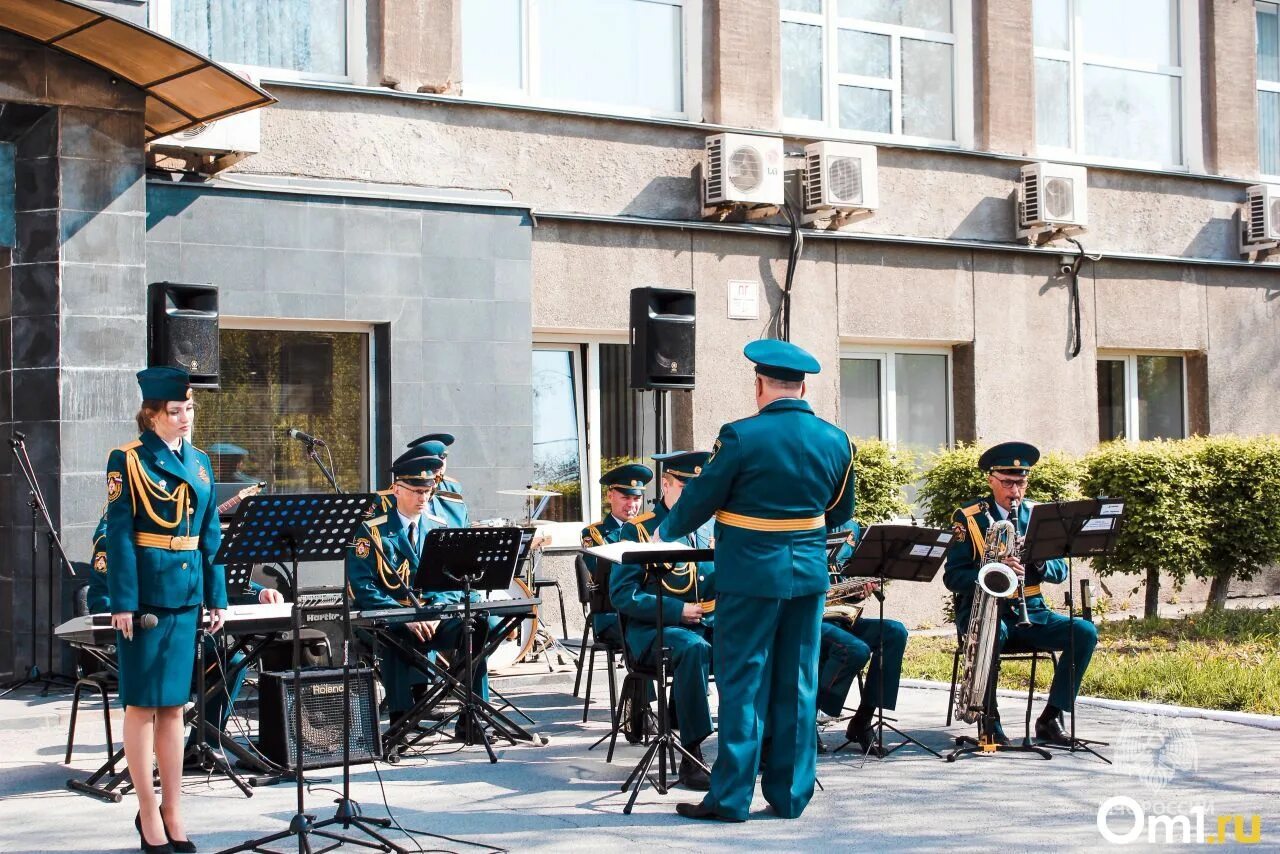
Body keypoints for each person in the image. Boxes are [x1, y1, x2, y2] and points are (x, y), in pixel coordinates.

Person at [657, 339, 856, 823]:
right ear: (803, 386)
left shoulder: (741, 436)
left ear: (760, 385)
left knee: (743, 682)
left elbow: (702, 497)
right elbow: (841, 513)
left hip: (749, 574)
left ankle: (729, 799)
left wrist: (665, 530)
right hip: (808, 574)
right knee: (799, 681)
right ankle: (790, 796)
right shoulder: (838, 440)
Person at [105, 366, 227, 853]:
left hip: (187, 596)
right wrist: (124, 602)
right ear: (152, 415)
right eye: (175, 411)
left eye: (189, 409)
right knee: (142, 705)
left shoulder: (199, 463)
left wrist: (216, 596)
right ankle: (148, 811)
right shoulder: (128, 460)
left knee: (174, 706)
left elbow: (210, 535)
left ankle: (174, 808)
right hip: (147, 598)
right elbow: (118, 536)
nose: (184, 418)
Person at [942, 441, 1098, 747]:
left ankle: (1050, 719)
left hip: (1032, 611)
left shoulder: (1038, 514)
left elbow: (1060, 571)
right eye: (1008, 483)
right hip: (985, 612)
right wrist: (994, 568)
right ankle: (990, 720)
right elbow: (953, 577)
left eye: (1021, 483)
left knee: (1084, 632)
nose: (1015, 491)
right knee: (992, 633)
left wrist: (1036, 559)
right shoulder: (970, 517)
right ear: (991, 480)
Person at [88, 513, 284, 753]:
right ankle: (153, 755)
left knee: (231, 662)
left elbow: (209, 576)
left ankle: (203, 747)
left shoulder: (182, 531)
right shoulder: (112, 537)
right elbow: (101, 602)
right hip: (142, 643)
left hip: (185, 640)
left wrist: (258, 594)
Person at [346, 451, 498, 741]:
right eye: (416, 491)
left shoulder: (440, 529)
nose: (423, 498)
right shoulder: (370, 531)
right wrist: (405, 617)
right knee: (394, 634)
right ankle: (401, 722)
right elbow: (362, 587)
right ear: (396, 490)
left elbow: (454, 584)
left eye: (427, 492)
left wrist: (439, 612)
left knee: (477, 625)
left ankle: (473, 716)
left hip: (435, 617)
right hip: (392, 618)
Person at [610, 452, 716, 790]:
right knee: (694, 648)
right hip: (652, 630)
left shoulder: (710, 527)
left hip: (704, 624)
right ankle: (692, 753)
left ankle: (759, 744)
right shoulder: (640, 530)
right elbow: (624, 596)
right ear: (667, 485)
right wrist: (677, 611)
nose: (694, 495)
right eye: (686, 487)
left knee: (757, 641)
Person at [817, 521, 908, 755]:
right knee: (854, 649)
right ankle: (807, 720)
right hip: (810, 619)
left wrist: (859, 590)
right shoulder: (803, 517)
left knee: (895, 633)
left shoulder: (852, 528)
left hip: (841, 616)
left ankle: (863, 720)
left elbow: (849, 581)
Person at [581, 462, 654, 645]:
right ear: (609, 496)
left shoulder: (648, 531)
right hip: (612, 613)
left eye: (637, 499)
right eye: (625, 497)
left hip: (645, 608)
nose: (632, 505)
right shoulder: (594, 534)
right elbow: (604, 573)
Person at [406, 433, 470, 527]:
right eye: (433, 459)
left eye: (443, 456)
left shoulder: (453, 487)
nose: (440, 463)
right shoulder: (403, 488)